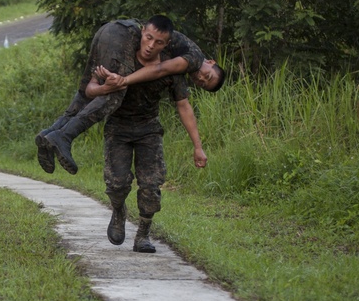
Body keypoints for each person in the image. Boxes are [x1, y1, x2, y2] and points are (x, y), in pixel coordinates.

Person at [35, 16, 224, 175]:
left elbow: (181, 100)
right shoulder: (194, 58)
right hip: (122, 36)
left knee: (87, 93)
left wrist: (198, 146)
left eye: (202, 84)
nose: (200, 78)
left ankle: (49, 134)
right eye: (207, 76)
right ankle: (65, 137)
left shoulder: (183, 53)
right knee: (114, 91)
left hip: (109, 31)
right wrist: (124, 80)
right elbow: (159, 69)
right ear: (210, 61)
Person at [84, 54, 222, 253]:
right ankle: (118, 210)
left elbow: (183, 105)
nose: (152, 46)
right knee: (116, 183)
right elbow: (92, 86)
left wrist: (198, 147)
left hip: (148, 129)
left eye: (159, 42)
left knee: (151, 184)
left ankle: (143, 234)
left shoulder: (172, 69)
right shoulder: (125, 54)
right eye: (149, 39)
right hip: (118, 127)